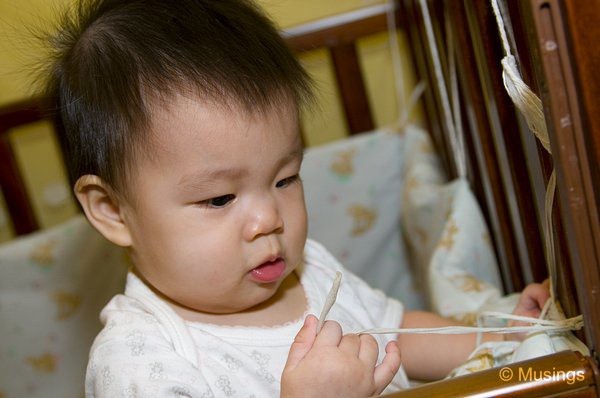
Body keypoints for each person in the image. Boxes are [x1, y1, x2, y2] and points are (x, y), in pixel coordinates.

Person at [41, 0, 550, 396]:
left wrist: (503, 341)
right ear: (112, 211)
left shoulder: (306, 270)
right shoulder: (140, 363)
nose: (269, 219)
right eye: (219, 199)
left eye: (285, 178)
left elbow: (395, 333)